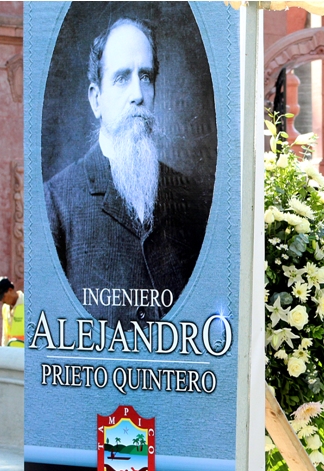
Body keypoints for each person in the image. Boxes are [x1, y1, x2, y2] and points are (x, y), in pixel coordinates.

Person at [44, 18, 210, 328]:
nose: (138, 94)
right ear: (96, 99)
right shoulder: (56, 201)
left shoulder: (189, 196)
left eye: (145, 77)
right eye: (122, 78)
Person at [0, 277, 24, 347]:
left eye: (3, 297)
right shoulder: (5, 308)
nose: (2, 301)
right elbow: (5, 335)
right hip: (11, 354)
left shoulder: (28, 305)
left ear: (10, 290)